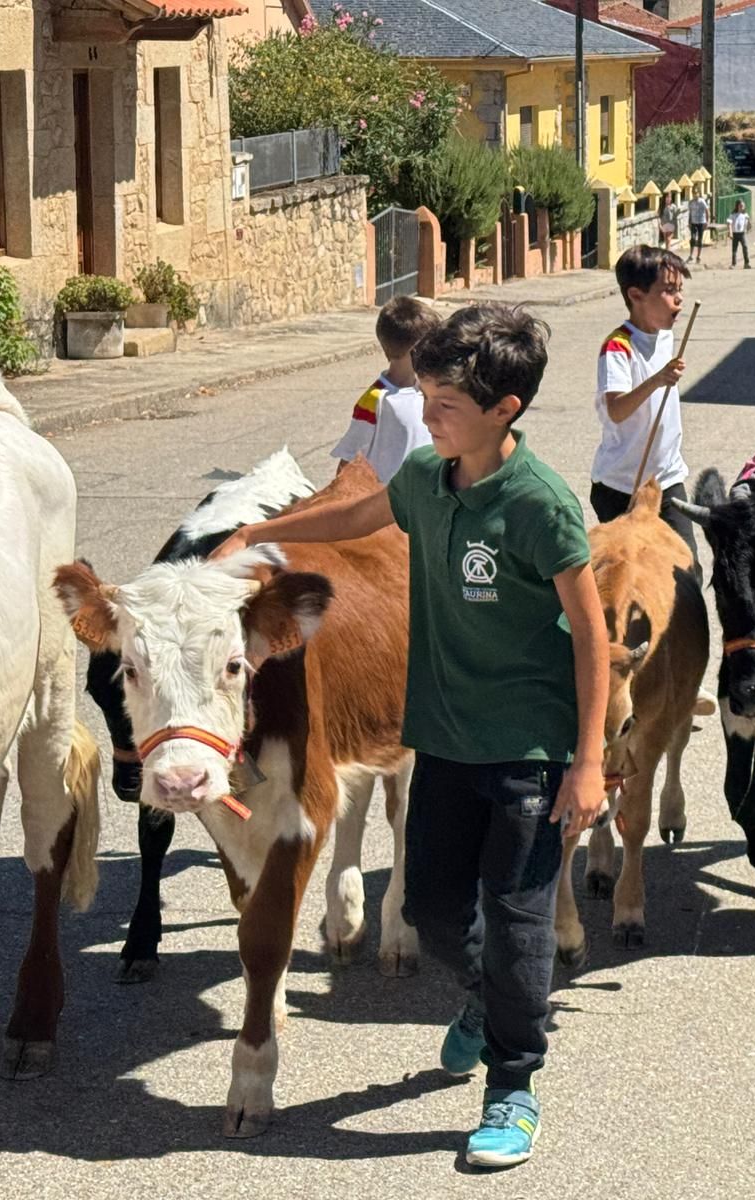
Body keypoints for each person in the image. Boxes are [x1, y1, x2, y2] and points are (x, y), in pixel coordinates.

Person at [210, 304, 609, 1169]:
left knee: (516, 919)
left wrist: (589, 762)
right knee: (430, 907)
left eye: (445, 404)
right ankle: (490, 1000)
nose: (426, 417)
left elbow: (592, 634)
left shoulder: (543, 508)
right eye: (424, 397)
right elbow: (356, 522)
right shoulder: (428, 477)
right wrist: (260, 533)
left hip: (529, 757)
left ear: (506, 408)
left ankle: (512, 1085)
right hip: (444, 743)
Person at [591, 245, 699, 564]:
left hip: (666, 480)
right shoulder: (617, 347)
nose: (678, 299)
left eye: (679, 289)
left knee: (686, 570)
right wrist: (657, 380)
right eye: (668, 291)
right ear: (636, 295)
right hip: (621, 486)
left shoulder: (665, 335)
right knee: (626, 572)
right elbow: (617, 410)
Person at [330, 296, 441, 482]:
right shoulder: (375, 400)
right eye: (433, 345)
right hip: (388, 505)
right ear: (417, 350)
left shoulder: (431, 391)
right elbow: (350, 461)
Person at [687, 191, 710, 265]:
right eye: (694, 193)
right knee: (693, 239)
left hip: (701, 222)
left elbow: (707, 211)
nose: (695, 194)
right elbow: (690, 213)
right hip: (693, 222)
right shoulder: (691, 202)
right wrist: (689, 222)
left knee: (700, 239)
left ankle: (698, 256)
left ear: (699, 194)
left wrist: (707, 221)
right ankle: (691, 255)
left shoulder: (702, 201)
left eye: (697, 193)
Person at [727, 200, 752, 269]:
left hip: (742, 233)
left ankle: (746, 263)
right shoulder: (733, 214)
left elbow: (749, 225)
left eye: (743, 206)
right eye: (740, 206)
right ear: (737, 206)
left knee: (745, 247)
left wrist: (749, 223)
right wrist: (730, 232)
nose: (742, 207)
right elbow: (729, 223)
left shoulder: (745, 215)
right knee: (734, 249)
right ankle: (733, 264)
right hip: (735, 233)